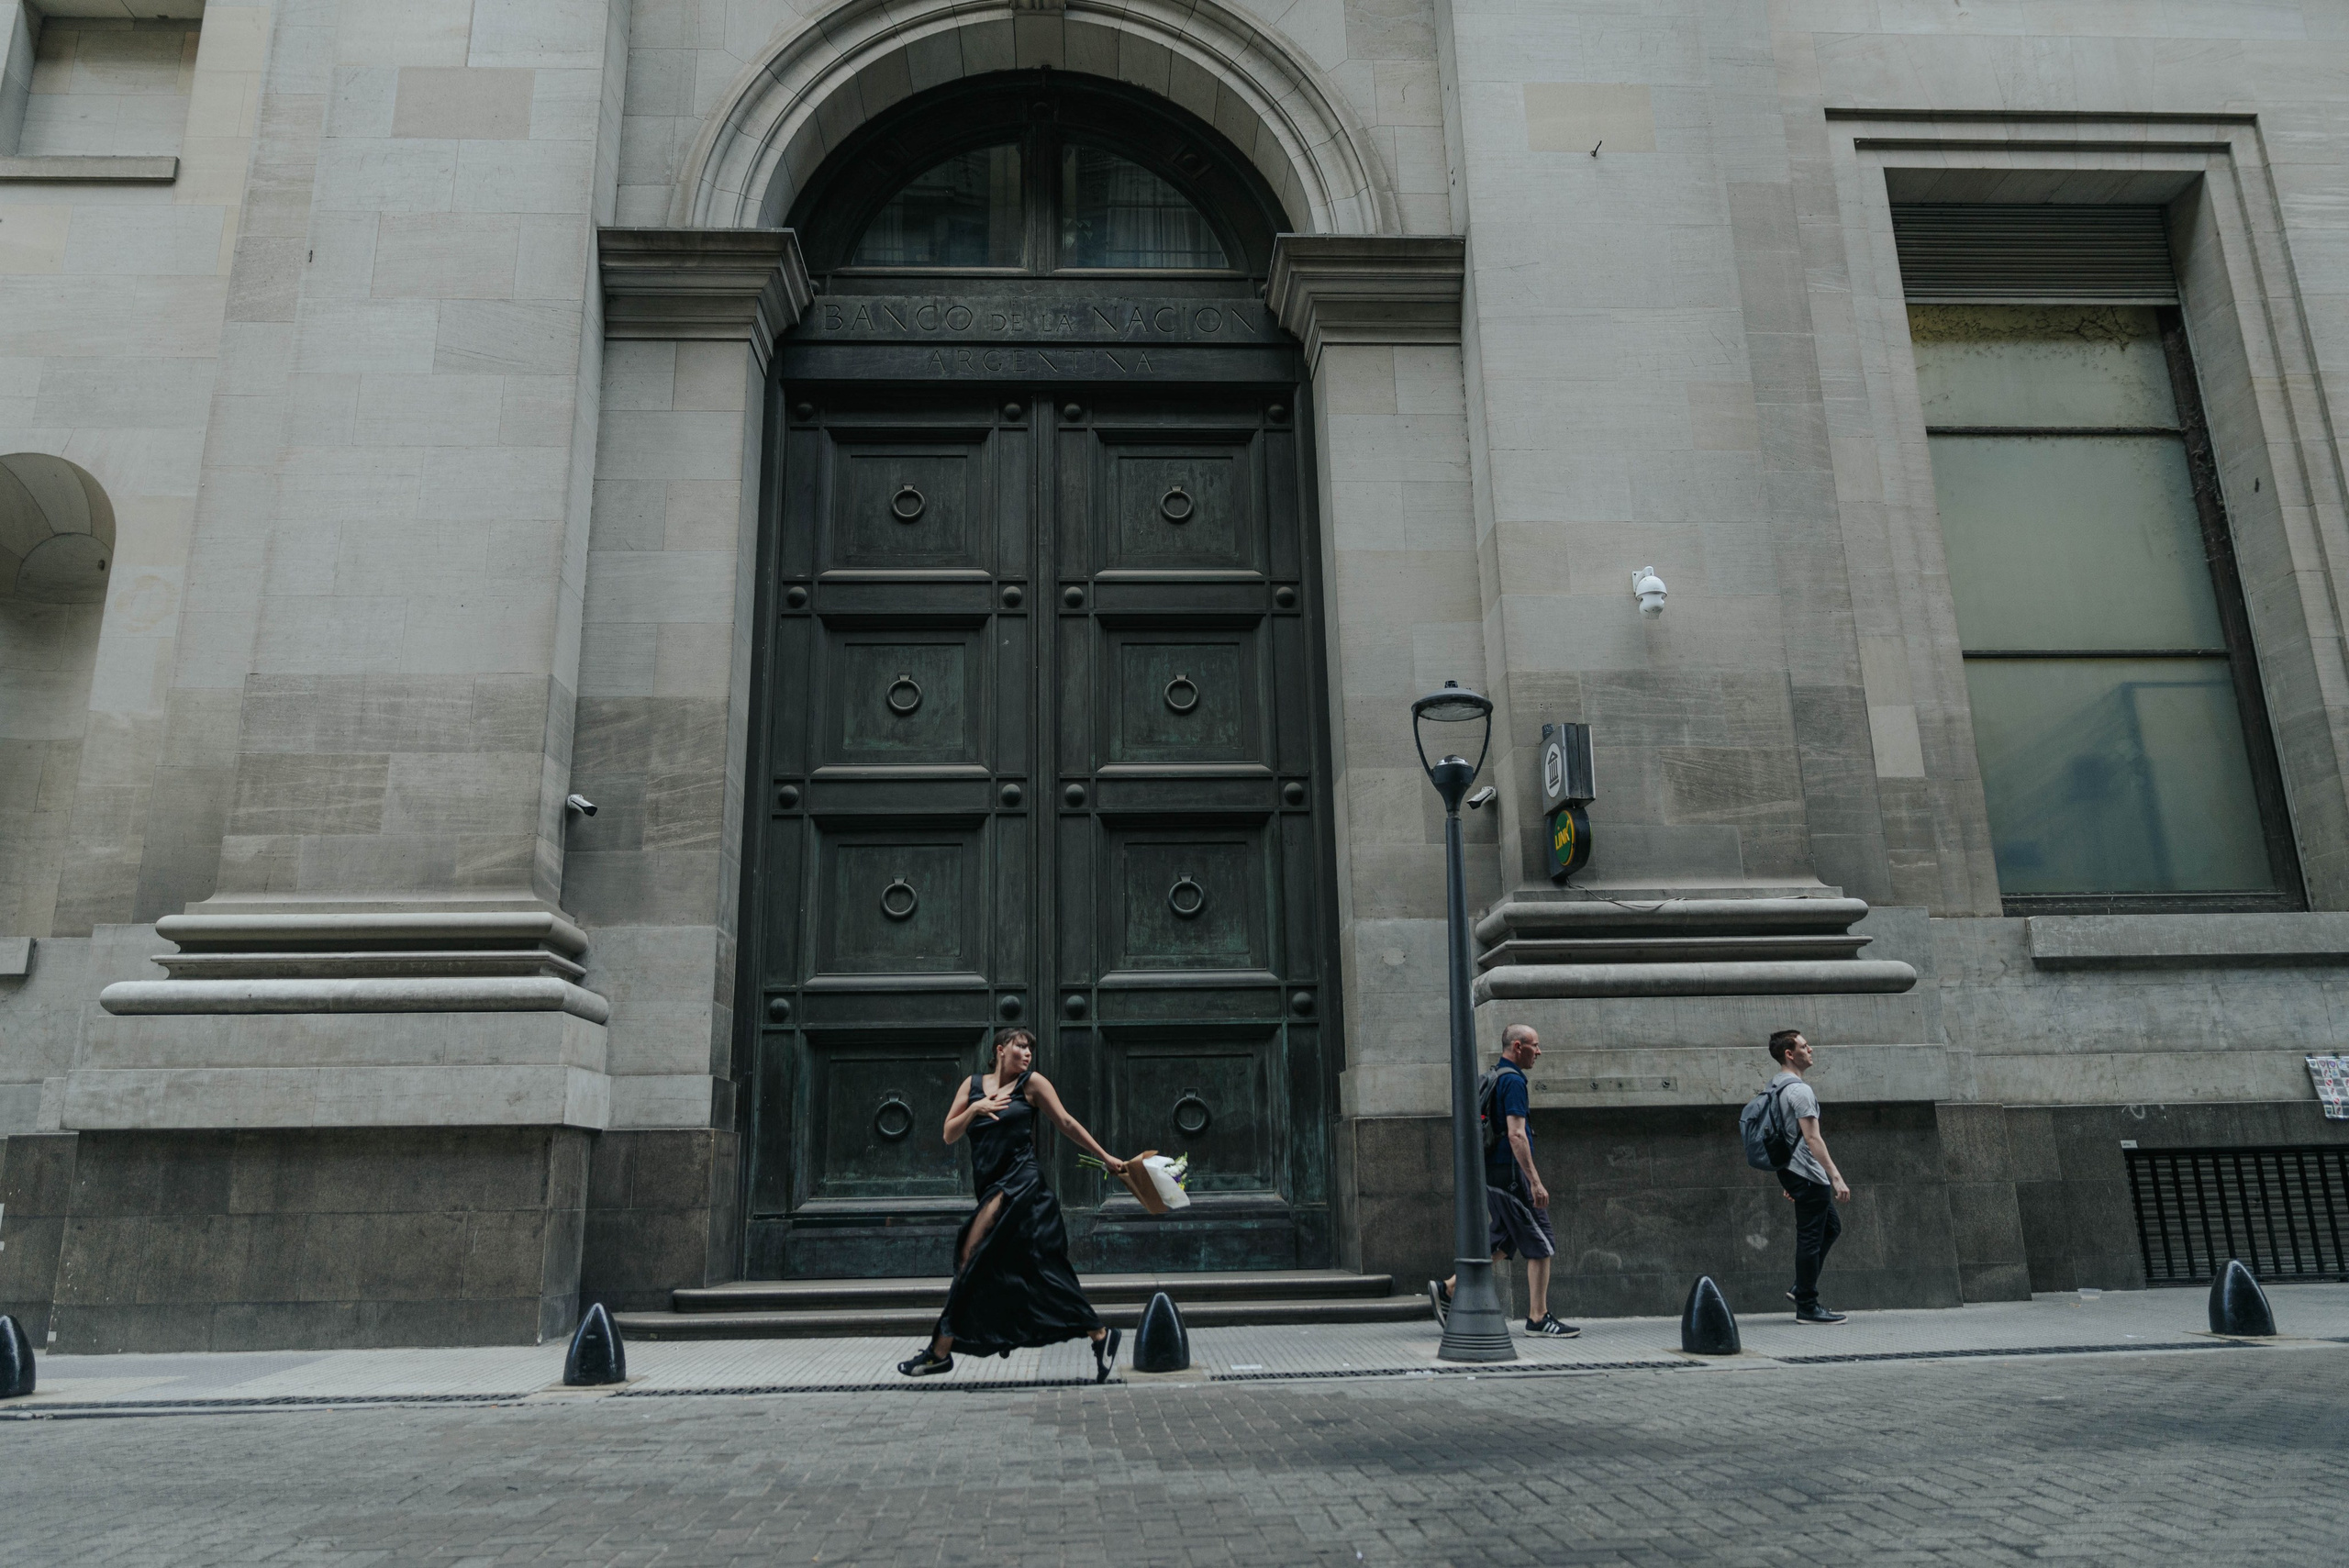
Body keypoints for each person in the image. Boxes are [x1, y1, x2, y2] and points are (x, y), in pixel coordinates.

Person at [897, 1028, 1129, 1381]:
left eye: (1030, 1049)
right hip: (991, 1185)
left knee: (969, 1254)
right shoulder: (972, 1086)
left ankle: (939, 1352)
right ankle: (1100, 1334)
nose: (1027, 1054)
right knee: (1037, 1270)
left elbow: (1066, 1122)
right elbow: (949, 1133)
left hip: (1021, 1183)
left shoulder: (1031, 1084)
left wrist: (1106, 1157)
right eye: (1021, 1047)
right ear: (1000, 1049)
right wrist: (976, 1108)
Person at [1429, 1023, 1579, 1338]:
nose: (1539, 1052)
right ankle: (1538, 1318)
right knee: (1541, 1242)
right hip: (1511, 1176)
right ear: (1518, 1047)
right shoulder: (1513, 1081)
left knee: (1505, 1238)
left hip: (1494, 1173)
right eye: (1535, 1045)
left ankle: (1450, 1288)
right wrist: (1534, 1181)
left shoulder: (1496, 1076)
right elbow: (1516, 1134)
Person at [1768, 1029, 1852, 1325]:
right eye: (1804, 1046)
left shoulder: (1775, 1086)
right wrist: (1836, 1177)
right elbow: (1813, 1138)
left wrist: (1790, 1177)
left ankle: (1801, 1287)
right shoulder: (1800, 1091)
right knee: (1810, 1238)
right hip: (1807, 1174)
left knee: (1831, 1227)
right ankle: (1807, 1305)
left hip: (1794, 1172)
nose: (1811, 1049)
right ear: (1789, 1054)